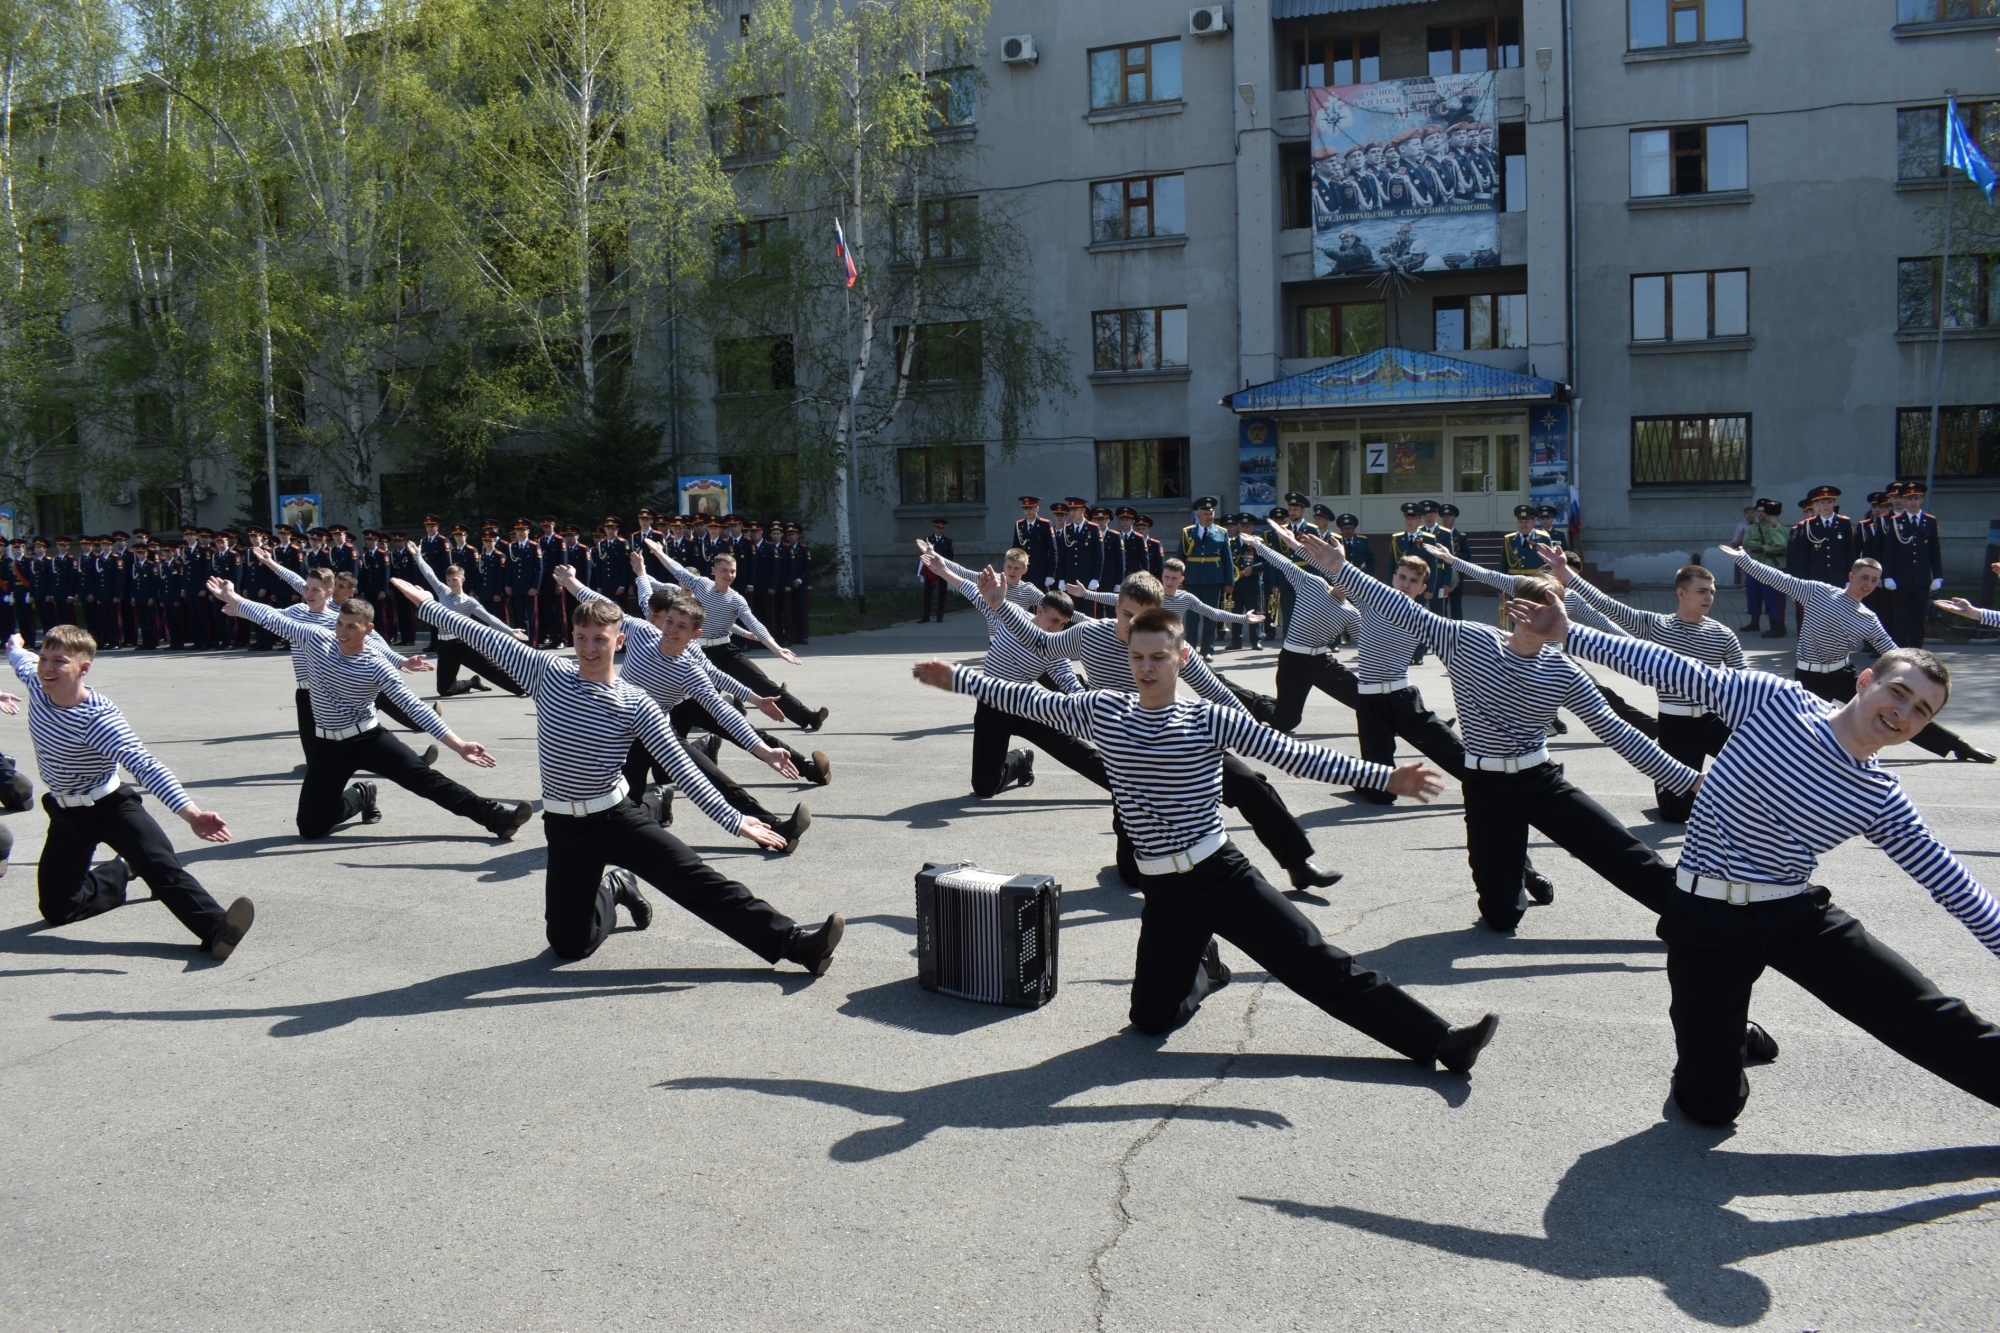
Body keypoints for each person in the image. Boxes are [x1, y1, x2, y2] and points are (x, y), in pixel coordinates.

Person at [911, 609, 1501, 1073]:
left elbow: (1294, 754)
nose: (1146, 667)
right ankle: (1205, 968)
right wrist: (957, 678)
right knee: (1149, 1020)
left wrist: (1383, 776)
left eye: (1159, 657)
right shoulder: (1101, 711)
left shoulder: (1208, 718)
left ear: (1180, 656)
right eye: (1138, 657)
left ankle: (1442, 1040)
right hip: (1162, 889)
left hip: (1221, 873)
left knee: (1317, 962)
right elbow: (1029, 698)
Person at [1516, 593, 2000, 1126]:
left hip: (1791, 915)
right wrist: (1567, 633)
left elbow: (1949, 880)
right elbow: (1677, 669)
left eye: (1921, 711)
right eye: (1899, 693)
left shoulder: (1880, 794)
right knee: (1709, 1107)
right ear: (1866, 682)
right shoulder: (1777, 702)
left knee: (1925, 1014)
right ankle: (1727, 1035)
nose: (1903, 713)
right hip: (1705, 919)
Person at [392, 574, 845, 971]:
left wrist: (733, 819)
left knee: (698, 881)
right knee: (568, 945)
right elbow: (481, 635)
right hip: (564, 827)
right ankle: (615, 885)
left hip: (615, 818)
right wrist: (428, 604)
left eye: (600, 639)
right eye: (582, 638)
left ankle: (795, 945)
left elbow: (679, 763)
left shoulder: (635, 702)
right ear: (572, 637)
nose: (590, 649)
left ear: (619, 640)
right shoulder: (545, 671)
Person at [1302, 532, 1700, 934]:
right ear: (1513, 609)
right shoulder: (1467, 640)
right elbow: (1402, 608)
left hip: (1541, 780)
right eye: (1535, 607)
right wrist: (1339, 568)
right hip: (1485, 786)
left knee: (1625, 854)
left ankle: (1700, 916)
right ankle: (1514, 885)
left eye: (1554, 611)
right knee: (1501, 915)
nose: (1543, 618)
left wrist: (1689, 781)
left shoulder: (1563, 671)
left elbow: (1618, 733)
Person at [982, 569, 1343, 893]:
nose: (1134, 626)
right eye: (1126, 615)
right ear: (1116, 607)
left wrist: (1274, 747)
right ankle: (1136, 857)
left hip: (1182, 738)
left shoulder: (1170, 643)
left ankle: (1298, 864)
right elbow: (1040, 642)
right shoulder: (1089, 636)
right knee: (1132, 876)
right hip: (1130, 758)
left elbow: (1215, 691)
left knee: (1250, 783)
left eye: (1144, 618)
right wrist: (999, 605)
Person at [210, 576, 532, 841]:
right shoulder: (316, 639)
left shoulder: (376, 664)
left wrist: (458, 744)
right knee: (310, 828)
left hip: (369, 739)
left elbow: (414, 707)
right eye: (340, 623)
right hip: (327, 746)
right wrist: (236, 599)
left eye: (352, 626)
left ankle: (497, 817)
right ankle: (363, 795)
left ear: (369, 629)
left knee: (428, 782)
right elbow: (273, 617)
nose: (342, 631)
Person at [6, 625, 252, 959]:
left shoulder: (98, 719)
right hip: (65, 814)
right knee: (57, 909)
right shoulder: (37, 683)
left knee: (163, 870)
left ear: (83, 668)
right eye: (45, 658)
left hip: (111, 807)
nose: (47, 668)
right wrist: (15, 644)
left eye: (59, 661)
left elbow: (145, 764)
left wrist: (191, 813)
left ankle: (217, 928)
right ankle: (123, 868)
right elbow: (20, 658)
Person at [554, 562, 820, 846]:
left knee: (709, 776)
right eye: (669, 621)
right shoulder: (642, 631)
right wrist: (571, 583)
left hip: (656, 733)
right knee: (622, 808)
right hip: (617, 736)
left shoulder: (688, 668)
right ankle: (652, 808)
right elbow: (605, 607)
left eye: (681, 627)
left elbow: (722, 711)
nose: (671, 630)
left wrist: (764, 751)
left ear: (695, 634)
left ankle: (776, 828)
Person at [1723, 544, 1994, 762]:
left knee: (1900, 711)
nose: (1868, 584)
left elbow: (1892, 652)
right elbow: (1780, 579)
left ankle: (1959, 746)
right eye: (1864, 577)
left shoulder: (1868, 618)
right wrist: (1744, 560)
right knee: (1788, 724)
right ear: (1851, 577)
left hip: (1844, 675)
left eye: (1874, 580)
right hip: (1808, 677)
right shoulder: (1818, 592)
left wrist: (1919, 678)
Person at [1537, 548, 1744, 823]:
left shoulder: (1722, 633)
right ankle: (1676, 790)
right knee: (1676, 814)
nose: (1709, 597)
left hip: (1715, 721)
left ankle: (1740, 800)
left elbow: (1743, 681)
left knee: (1759, 764)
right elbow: (1608, 605)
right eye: (1702, 591)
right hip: (1676, 725)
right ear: (1681, 594)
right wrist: (1565, 574)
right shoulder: (1656, 626)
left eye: (1712, 592)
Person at [919, 549, 1103, 799]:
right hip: (992, 705)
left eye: (1062, 624)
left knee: (1072, 748)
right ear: (1040, 610)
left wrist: (1089, 707)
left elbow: (1070, 683)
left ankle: (1127, 786)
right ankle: (1021, 759)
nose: (1057, 628)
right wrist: (941, 570)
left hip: (1025, 703)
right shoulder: (1009, 616)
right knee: (984, 787)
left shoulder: (1055, 646)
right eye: (1054, 620)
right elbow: (969, 588)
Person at [248, 542, 438, 759]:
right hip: (307, 690)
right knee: (317, 754)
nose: (308, 593)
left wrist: (401, 661)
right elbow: (269, 609)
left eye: (315, 590)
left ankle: (411, 758)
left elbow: (374, 641)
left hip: (340, 678)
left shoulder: (338, 619)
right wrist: (266, 565)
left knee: (367, 729)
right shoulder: (296, 611)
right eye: (306, 589)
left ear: (327, 593)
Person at [647, 537, 829, 732]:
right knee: (692, 696)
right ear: (714, 571)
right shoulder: (699, 585)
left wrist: (776, 649)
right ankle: (661, 725)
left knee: (763, 684)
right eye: (724, 570)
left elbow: (754, 623)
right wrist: (658, 552)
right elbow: (676, 569)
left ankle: (809, 717)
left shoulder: (736, 600)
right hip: (695, 652)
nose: (729, 575)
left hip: (725, 652)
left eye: (733, 571)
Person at [404, 541, 530, 697]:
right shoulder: (443, 592)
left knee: (491, 669)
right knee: (444, 690)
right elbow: (430, 574)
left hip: (463, 642)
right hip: (444, 645)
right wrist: (417, 556)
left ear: (462, 579)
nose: (451, 583)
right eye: (449, 580)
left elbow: (489, 618)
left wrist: (510, 630)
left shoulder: (469, 602)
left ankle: (523, 688)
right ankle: (472, 682)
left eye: (455, 580)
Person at [1878, 481, 1944, 649]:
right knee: (1901, 617)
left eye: (1916, 498)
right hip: (1901, 578)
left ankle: (1917, 651)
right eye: (1909, 499)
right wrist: (1888, 576)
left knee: (1918, 618)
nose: (1913, 502)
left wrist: (1937, 575)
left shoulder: (1929, 521)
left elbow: (1934, 551)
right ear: (1905, 502)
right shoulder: (1895, 521)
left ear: (1921, 500)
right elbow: (1889, 552)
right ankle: (1901, 651)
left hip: (1921, 578)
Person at [1178, 497, 1232, 660]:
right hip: (1193, 578)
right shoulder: (1188, 532)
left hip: (1213, 579)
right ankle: (1191, 649)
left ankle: (1208, 649)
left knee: (1211, 615)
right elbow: (1181, 557)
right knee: (1192, 618)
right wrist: (1180, 580)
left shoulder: (1222, 532)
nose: (1209, 516)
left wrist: (1229, 582)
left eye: (1211, 513)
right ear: (1198, 514)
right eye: (1206, 513)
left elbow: (1227, 559)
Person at [1738, 498, 1790, 637]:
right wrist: (1761, 546)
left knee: (1773, 598)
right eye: (1758, 511)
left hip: (1772, 566)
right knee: (1754, 595)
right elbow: (1746, 541)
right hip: (1755, 565)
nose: (1760, 514)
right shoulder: (1753, 528)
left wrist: (1768, 549)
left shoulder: (1775, 527)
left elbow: (1781, 546)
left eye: (1763, 511)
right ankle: (1754, 622)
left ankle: (1778, 626)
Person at [1014, 496, 1058, 590]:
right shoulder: (1019, 525)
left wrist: (1051, 574)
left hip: (1041, 574)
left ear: (1037, 508)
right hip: (1024, 573)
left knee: (1041, 603)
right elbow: (1015, 551)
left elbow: (1053, 551)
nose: (1027, 511)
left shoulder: (1045, 524)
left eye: (1030, 508)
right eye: (1025, 508)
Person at [919, 517, 954, 623]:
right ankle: (926, 616)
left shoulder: (947, 540)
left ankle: (940, 616)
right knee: (927, 593)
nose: (939, 530)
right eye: (937, 527)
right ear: (934, 528)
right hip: (931, 570)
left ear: (943, 528)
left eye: (941, 528)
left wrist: (945, 566)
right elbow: (923, 553)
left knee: (942, 593)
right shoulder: (928, 539)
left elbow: (950, 556)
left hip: (942, 569)